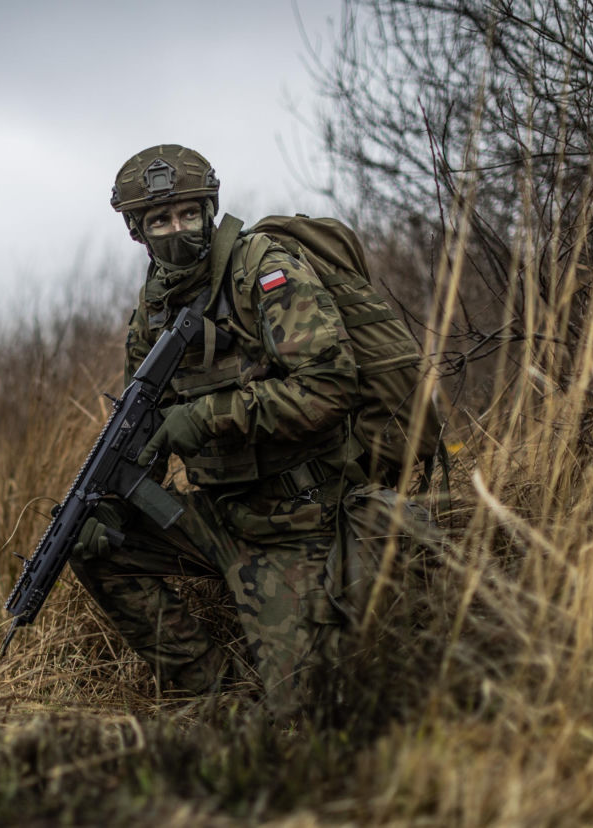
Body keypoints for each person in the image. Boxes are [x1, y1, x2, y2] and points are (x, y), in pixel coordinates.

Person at [68, 144, 432, 721]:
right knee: (90, 544)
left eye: (188, 214)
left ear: (209, 209)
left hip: (299, 521)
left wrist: (210, 416)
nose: (176, 231)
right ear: (136, 230)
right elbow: (149, 428)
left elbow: (328, 386)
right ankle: (218, 696)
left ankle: (270, 707)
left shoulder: (262, 270)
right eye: (159, 221)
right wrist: (112, 502)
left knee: (305, 717)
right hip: (221, 516)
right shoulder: (151, 311)